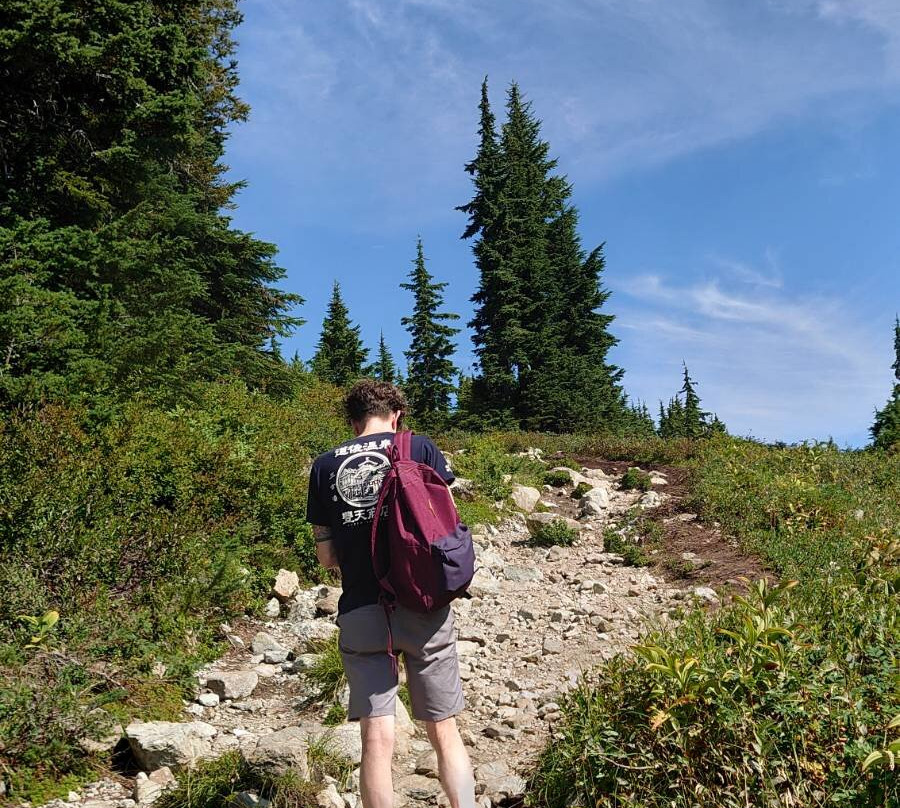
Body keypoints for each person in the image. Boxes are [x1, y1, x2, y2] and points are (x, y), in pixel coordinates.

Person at [306, 380, 475, 808]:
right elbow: (444, 525)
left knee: (377, 736)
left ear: (352, 420)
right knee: (443, 730)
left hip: (361, 609)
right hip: (421, 603)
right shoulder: (418, 448)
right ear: (396, 415)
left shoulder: (324, 466)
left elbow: (327, 558)